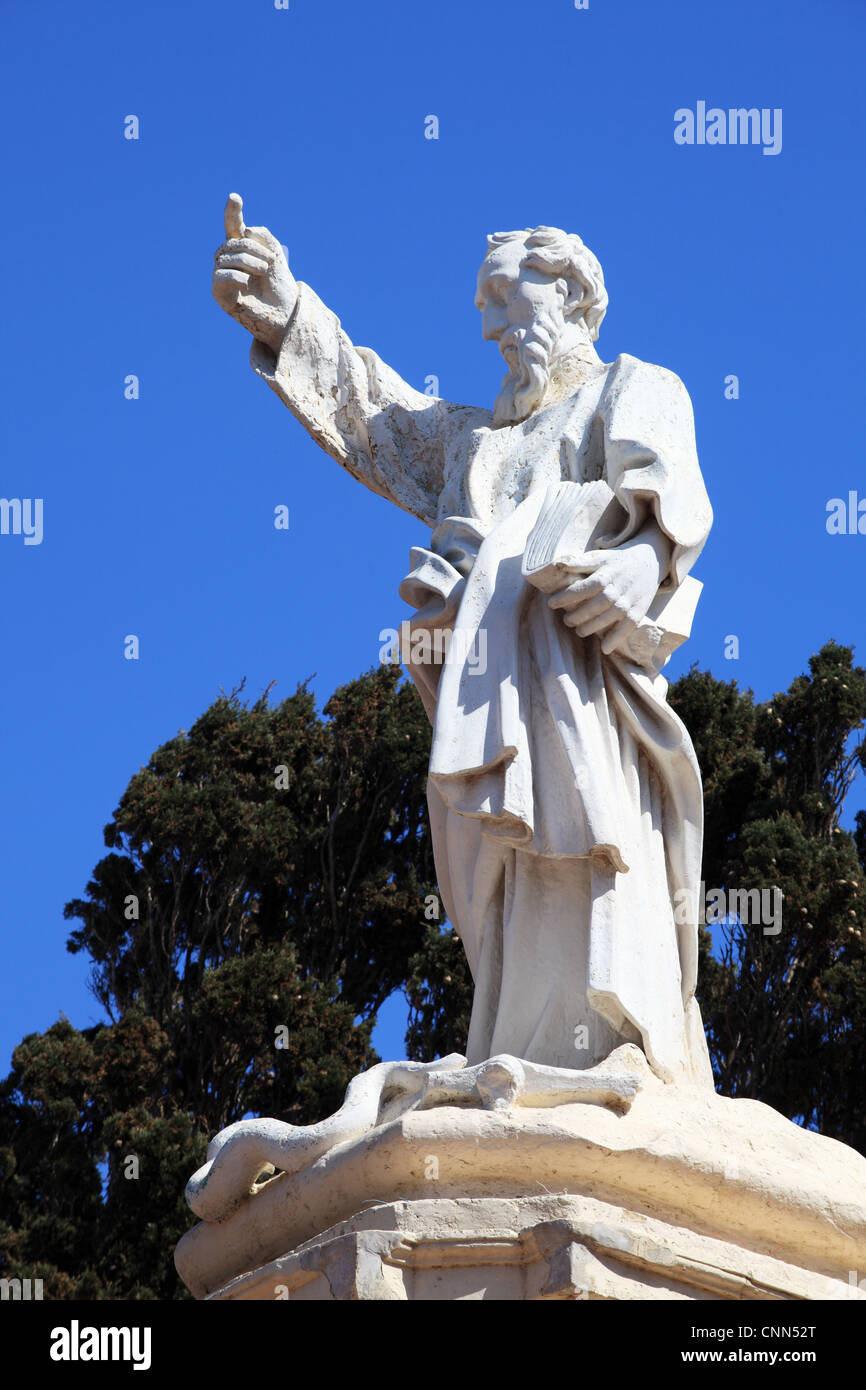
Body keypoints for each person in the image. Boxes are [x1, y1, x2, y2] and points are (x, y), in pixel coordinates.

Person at [213, 196, 714, 1087]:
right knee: (518, 890)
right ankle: (524, 1059)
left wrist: (645, 559)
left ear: (566, 290)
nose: (484, 323)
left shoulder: (633, 386)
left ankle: (613, 1056)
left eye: (499, 295)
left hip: (587, 695)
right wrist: (290, 312)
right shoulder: (473, 443)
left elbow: (667, 507)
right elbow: (377, 417)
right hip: (490, 702)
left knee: (592, 860)